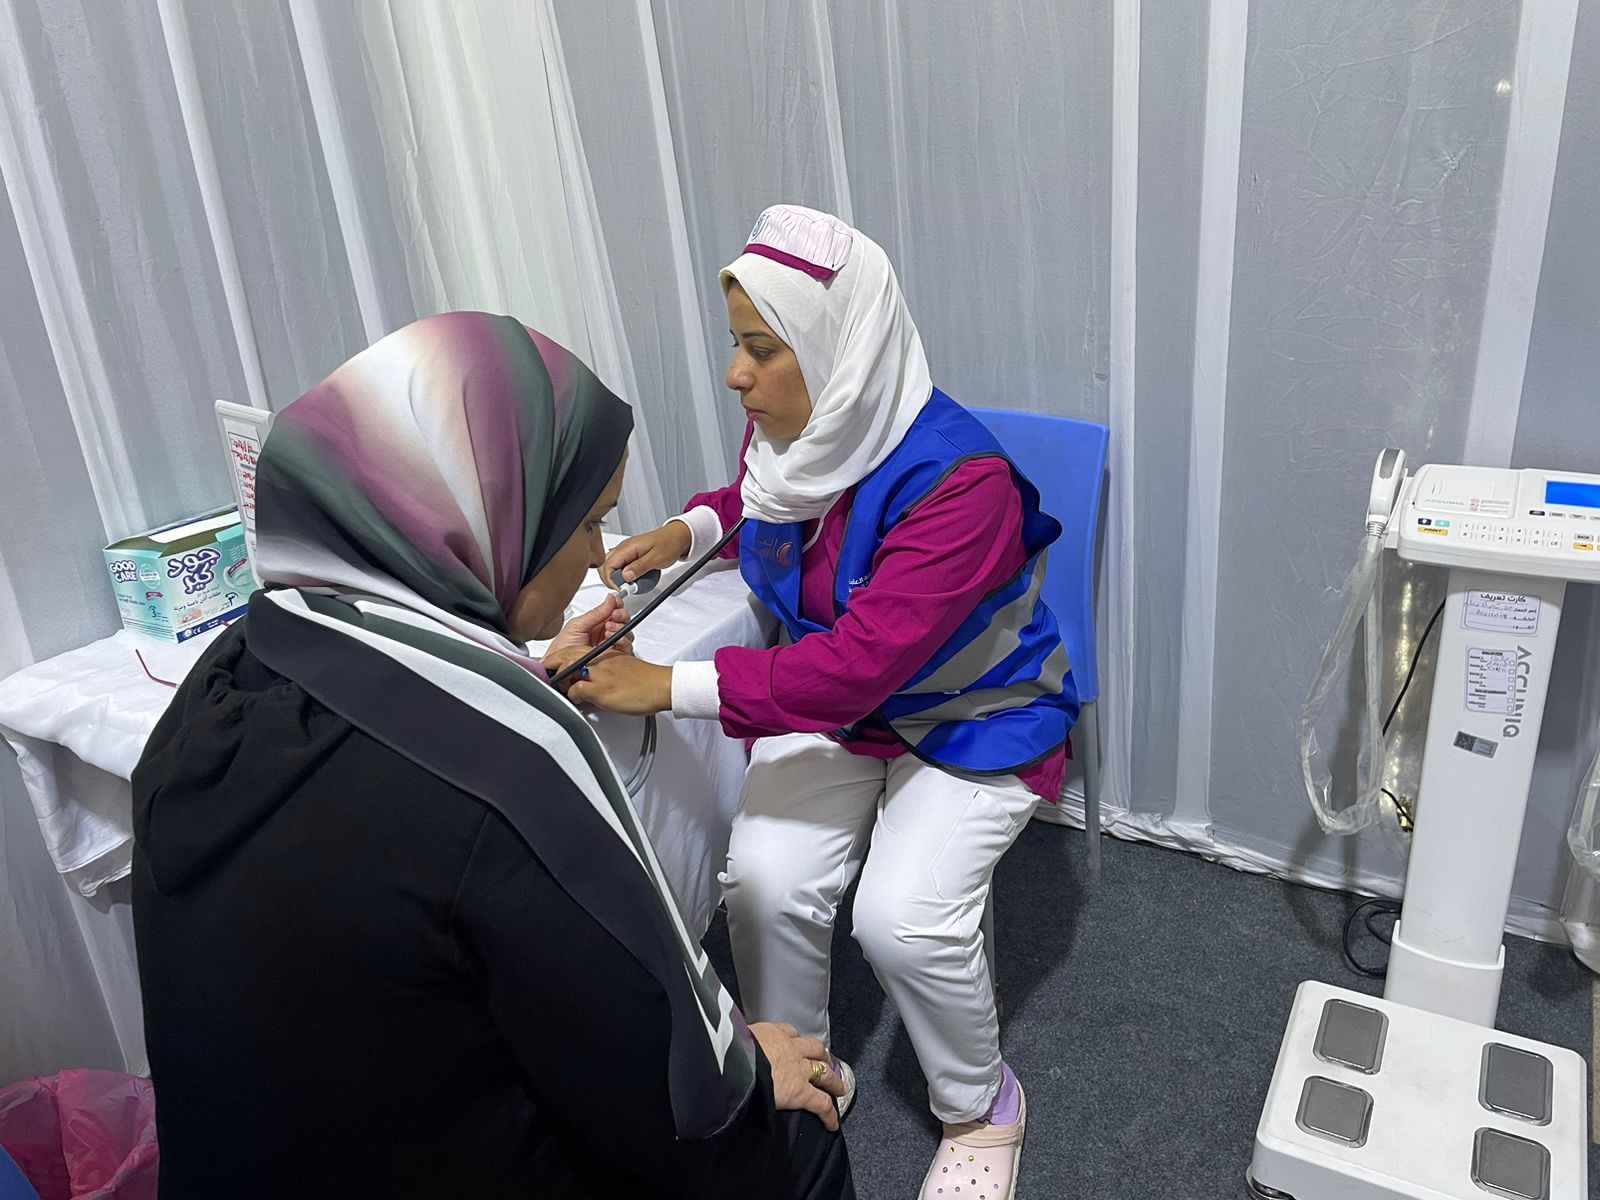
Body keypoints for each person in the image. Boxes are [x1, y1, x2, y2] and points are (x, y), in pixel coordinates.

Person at [131, 312, 856, 1199]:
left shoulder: (241, 658)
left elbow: (394, 755)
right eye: (587, 524)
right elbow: (654, 1077)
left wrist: (523, 673)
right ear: (491, 518)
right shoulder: (515, 765)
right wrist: (746, 1065)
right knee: (797, 1132)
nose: (595, 558)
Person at [579, 205, 1079, 1198]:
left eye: (762, 350)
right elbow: (764, 498)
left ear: (838, 352)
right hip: (846, 712)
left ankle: (981, 1109)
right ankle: (794, 1073)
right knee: (762, 878)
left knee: (902, 917)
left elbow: (857, 666)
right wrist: (691, 529)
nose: (736, 376)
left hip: (973, 715)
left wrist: (666, 686)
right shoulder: (803, 424)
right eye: (737, 345)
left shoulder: (962, 486)